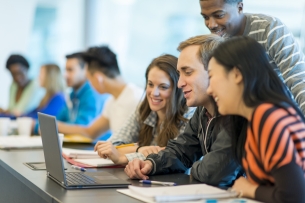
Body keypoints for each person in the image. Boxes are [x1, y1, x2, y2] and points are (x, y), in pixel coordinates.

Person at [124, 34, 243, 187]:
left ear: (215, 71)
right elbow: (181, 151)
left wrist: (195, 168)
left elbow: (215, 173)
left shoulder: (237, 113)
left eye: (188, 72)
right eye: (180, 74)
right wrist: (151, 164)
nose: (180, 83)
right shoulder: (202, 111)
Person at [207, 36, 305, 202]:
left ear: (237, 74)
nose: (209, 89)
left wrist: (249, 189)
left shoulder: (268, 117)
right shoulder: (257, 117)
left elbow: (293, 197)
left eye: (211, 76)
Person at [199, 0, 305, 114]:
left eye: (219, 15)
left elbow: (298, 80)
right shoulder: (217, 42)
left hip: (281, 115)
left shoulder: (269, 29)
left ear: (240, 7)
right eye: (205, 17)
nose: (211, 24)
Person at [94, 54, 195, 165]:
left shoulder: (188, 117)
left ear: (178, 89)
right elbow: (112, 146)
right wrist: (139, 149)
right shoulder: (144, 110)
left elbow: (170, 156)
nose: (154, 93)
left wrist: (123, 157)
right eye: (150, 84)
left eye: (163, 87)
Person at [57, 46, 143, 141]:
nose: (90, 84)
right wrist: (56, 126)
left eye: (89, 79)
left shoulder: (136, 99)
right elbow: (90, 132)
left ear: (98, 79)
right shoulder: (112, 101)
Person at [56, 52, 111, 140]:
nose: (65, 75)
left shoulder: (92, 93)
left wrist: (53, 126)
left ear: (85, 70)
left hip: (94, 147)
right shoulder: (73, 94)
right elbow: (60, 119)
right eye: (65, 70)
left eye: (70, 70)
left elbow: (82, 127)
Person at [24, 64, 67, 134]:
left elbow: (42, 118)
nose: (38, 77)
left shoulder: (59, 98)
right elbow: (31, 113)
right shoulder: (46, 98)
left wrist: (19, 116)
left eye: (41, 73)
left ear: (49, 77)